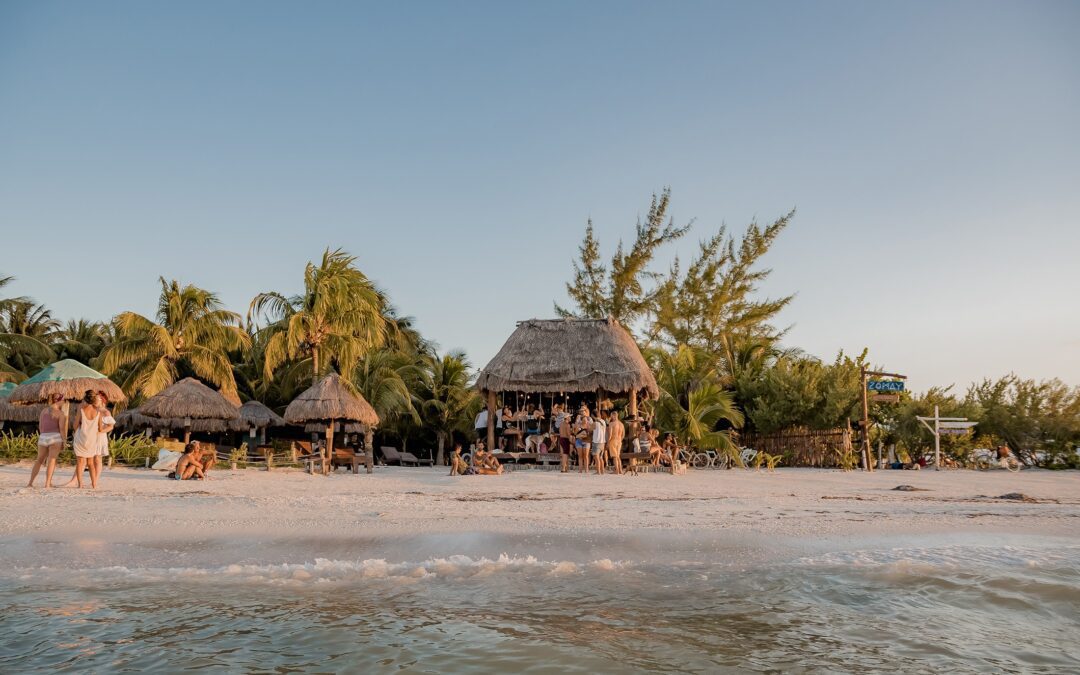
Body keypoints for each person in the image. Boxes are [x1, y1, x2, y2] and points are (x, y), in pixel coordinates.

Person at [27, 393, 68, 488]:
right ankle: (47, 483)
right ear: (59, 400)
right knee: (52, 460)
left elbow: (41, 426)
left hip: (43, 437)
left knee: (39, 460)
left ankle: (30, 482)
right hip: (55, 438)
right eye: (63, 400)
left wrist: (44, 436)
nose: (64, 402)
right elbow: (62, 429)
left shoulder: (43, 411)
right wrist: (64, 441)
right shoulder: (60, 413)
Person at [68, 390, 105, 489]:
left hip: (81, 438)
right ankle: (94, 484)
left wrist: (80, 427)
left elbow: (75, 425)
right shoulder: (98, 412)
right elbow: (100, 429)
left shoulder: (82, 410)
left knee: (80, 463)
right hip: (92, 440)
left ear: (85, 399)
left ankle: (80, 485)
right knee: (91, 463)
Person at [92, 390, 115, 478]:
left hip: (100, 437)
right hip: (91, 437)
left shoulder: (105, 412)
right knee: (90, 459)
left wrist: (99, 432)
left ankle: (96, 479)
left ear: (101, 400)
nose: (94, 400)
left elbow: (111, 426)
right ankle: (92, 478)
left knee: (97, 459)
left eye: (96, 398)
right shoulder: (91, 410)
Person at [574, 405, 594, 473]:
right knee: (580, 456)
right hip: (579, 439)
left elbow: (592, 430)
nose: (582, 412)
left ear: (586, 411)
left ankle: (586, 470)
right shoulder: (578, 418)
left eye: (583, 411)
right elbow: (575, 431)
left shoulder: (589, 419)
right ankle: (580, 470)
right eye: (581, 411)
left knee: (586, 455)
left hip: (586, 439)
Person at [606, 410, 625, 475]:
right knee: (618, 456)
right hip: (619, 441)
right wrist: (620, 440)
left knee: (614, 456)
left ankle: (616, 471)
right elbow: (623, 435)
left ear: (614, 415)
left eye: (611, 416)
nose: (610, 417)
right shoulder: (621, 424)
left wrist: (608, 442)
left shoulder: (612, 424)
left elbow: (610, 435)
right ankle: (620, 470)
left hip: (613, 440)